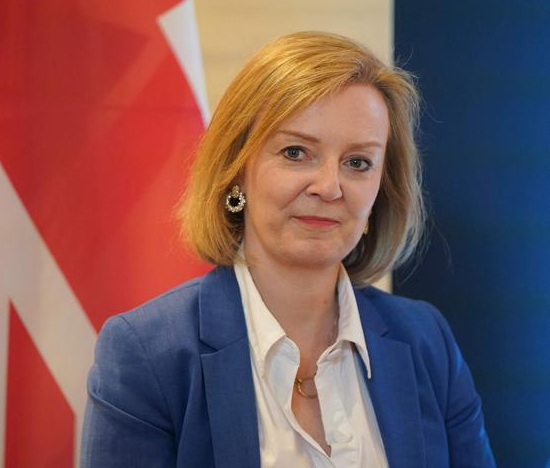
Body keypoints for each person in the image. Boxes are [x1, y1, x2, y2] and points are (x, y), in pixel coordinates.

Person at [80, 32, 495, 467]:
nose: (329, 187)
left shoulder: (428, 341)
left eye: (358, 163)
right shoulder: (148, 354)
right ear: (237, 171)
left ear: (380, 190)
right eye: (296, 152)